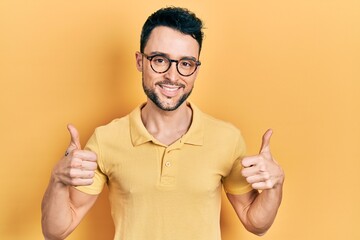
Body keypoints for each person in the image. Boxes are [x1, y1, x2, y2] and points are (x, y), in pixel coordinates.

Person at [41, 6, 284, 240]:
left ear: (196, 70)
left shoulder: (227, 139)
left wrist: (275, 185)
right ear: (140, 61)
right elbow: (56, 232)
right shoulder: (106, 139)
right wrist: (58, 180)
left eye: (186, 64)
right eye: (159, 60)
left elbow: (256, 224)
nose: (172, 75)